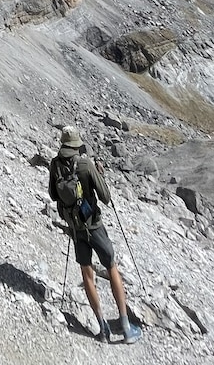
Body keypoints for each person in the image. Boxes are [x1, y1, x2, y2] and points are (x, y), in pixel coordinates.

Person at [48, 125, 142, 344]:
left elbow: (53, 195)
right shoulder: (84, 163)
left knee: (86, 272)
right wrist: (99, 175)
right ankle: (127, 329)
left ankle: (102, 328)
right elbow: (106, 197)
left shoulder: (55, 164)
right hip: (94, 225)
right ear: (76, 144)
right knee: (111, 267)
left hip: (75, 227)